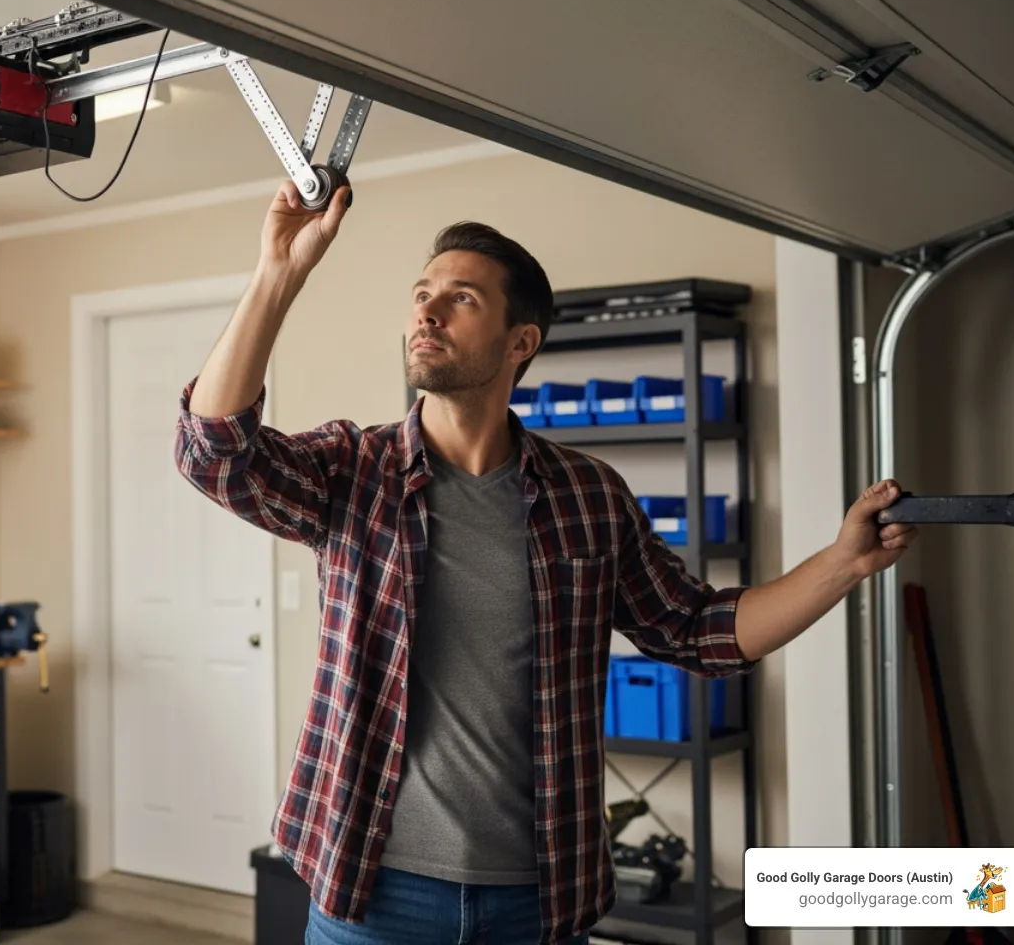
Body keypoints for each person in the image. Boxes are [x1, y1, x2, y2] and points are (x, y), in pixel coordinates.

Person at [173, 179, 917, 945]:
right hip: (373, 889)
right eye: (422, 293)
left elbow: (700, 630)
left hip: (536, 900)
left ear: (520, 341)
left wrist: (844, 563)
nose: (426, 311)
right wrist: (278, 271)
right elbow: (213, 454)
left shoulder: (587, 496)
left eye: (460, 298)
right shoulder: (354, 470)